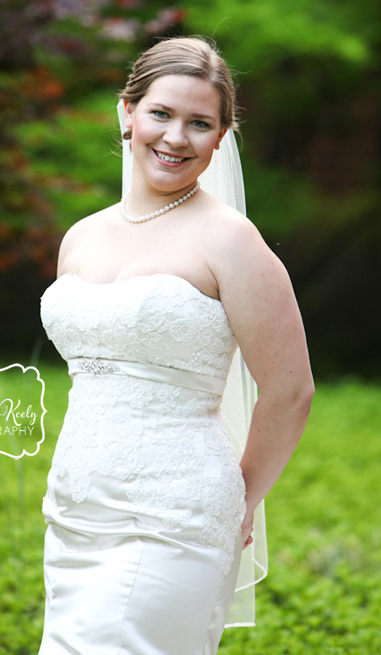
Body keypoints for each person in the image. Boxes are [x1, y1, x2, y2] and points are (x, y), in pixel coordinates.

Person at [38, 36, 314, 655]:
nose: (176, 137)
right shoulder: (81, 238)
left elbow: (291, 390)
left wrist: (242, 499)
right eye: (161, 113)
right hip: (75, 508)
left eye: (200, 123)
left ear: (221, 139)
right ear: (126, 112)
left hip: (176, 514)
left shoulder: (232, 242)